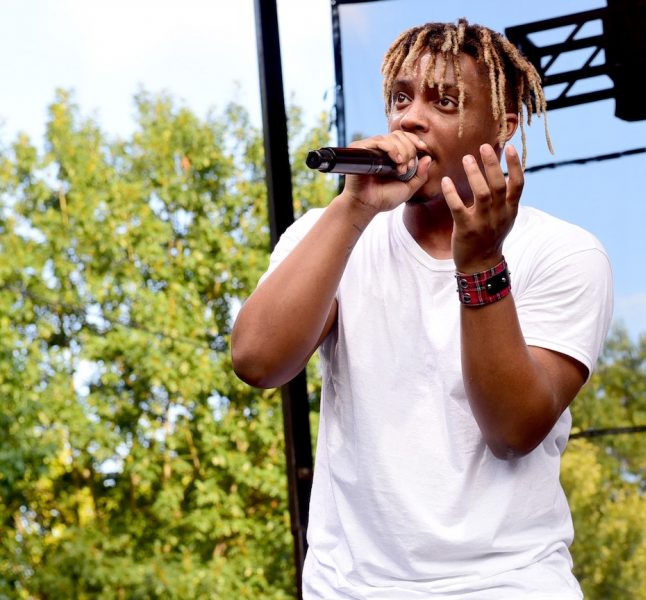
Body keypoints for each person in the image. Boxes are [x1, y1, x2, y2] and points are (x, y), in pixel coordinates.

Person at [231, 18, 613, 599]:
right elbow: (258, 360)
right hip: (350, 588)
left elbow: (512, 428)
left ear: (504, 127)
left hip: (506, 584)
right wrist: (354, 208)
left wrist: (481, 259)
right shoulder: (331, 234)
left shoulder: (563, 253)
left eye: (446, 101)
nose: (410, 118)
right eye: (401, 98)